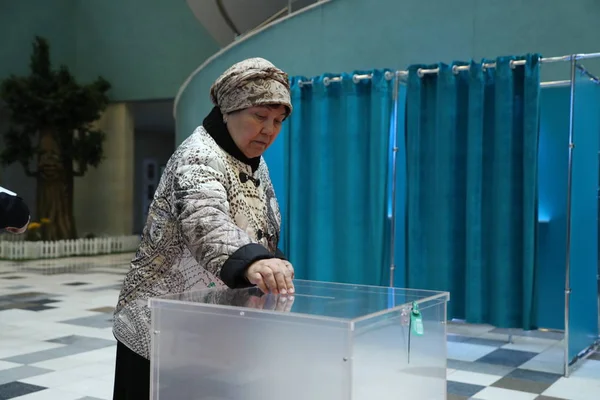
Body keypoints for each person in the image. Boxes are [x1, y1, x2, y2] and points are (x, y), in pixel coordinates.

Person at [112, 57, 295, 399]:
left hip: (206, 326)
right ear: (229, 111)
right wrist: (254, 263)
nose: (270, 130)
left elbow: (257, 222)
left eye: (278, 120)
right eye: (260, 117)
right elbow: (205, 220)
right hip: (158, 327)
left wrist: (271, 259)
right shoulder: (198, 155)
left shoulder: (252, 160)